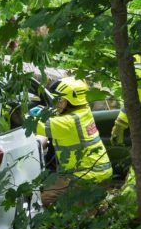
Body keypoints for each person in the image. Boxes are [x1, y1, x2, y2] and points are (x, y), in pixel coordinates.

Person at [36, 77, 113, 206]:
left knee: (44, 198)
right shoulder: (84, 111)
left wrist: (20, 112)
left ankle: (73, 220)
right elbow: (58, 117)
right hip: (101, 173)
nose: (56, 103)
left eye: (59, 99)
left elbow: (32, 124)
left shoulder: (68, 123)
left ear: (71, 102)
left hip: (86, 178)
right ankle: (93, 209)